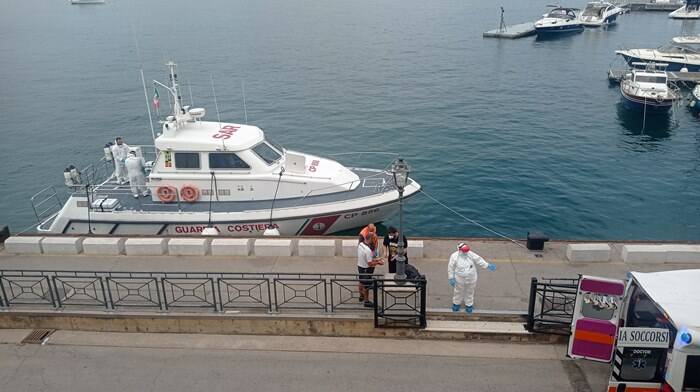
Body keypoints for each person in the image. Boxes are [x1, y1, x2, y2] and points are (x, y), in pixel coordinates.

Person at [447, 242, 497, 313]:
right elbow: (450, 267)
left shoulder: (470, 254)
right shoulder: (454, 256)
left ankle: (469, 304)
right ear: (460, 250)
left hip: (472, 278)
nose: (466, 252)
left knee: (470, 292)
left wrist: (487, 265)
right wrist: (451, 277)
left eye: (467, 251)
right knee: (458, 292)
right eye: (464, 251)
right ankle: (456, 304)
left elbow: (478, 259)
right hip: (460, 279)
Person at [357, 232, 383, 308]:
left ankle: (361, 295)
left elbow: (366, 258)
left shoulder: (361, 244)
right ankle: (366, 301)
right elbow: (370, 263)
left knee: (361, 281)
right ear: (371, 239)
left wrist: (375, 259)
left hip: (360, 266)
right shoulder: (368, 250)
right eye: (374, 239)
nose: (376, 240)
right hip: (366, 269)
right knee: (367, 286)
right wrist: (378, 262)